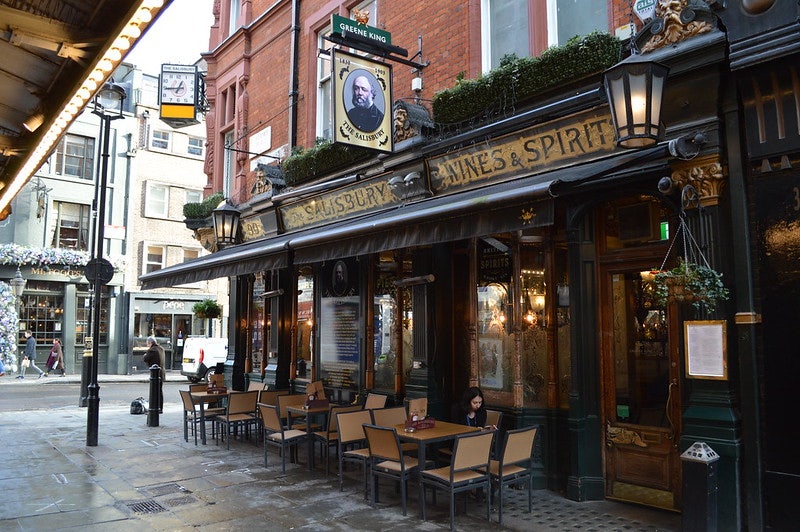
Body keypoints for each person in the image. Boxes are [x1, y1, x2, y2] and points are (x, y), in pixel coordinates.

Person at [143, 336, 166, 413]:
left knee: (155, 392)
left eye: (148, 344)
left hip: (155, 374)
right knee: (159, 392)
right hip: (162, 373)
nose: (147, 345)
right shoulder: (161, 349)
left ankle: (155, 409)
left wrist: (145, 355)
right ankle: (160, 408)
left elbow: (145, 359)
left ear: (151, 343)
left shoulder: (152, 350)